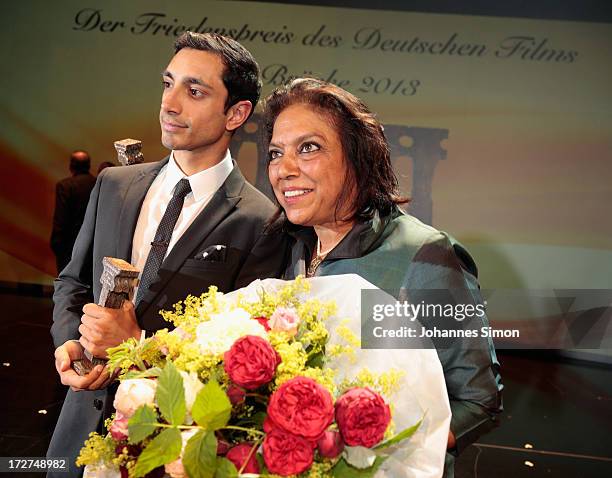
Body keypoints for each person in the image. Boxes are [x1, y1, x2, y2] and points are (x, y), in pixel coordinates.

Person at [47, 32, 287, 476]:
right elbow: (72, 282)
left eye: (194, 91)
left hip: (168, 446)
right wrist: (68, 342)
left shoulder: (263, 223)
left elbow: (243, 360)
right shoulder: (115, 185)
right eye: (167, 83)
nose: (170, 103)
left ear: (236, 113)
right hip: (76, 430)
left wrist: (137, 346)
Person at [263, 78, 503, 477]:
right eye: (275, 153)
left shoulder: (423, 255)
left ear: (358, 157)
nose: (285, 169)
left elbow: (478, 401)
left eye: (308, 148)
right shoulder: (290, 249)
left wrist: (379, 455)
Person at [50, 150, 97, 273]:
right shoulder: (97, 184)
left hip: (69, 245)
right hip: (93, 244)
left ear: (71, 166)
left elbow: (61, 217)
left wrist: (56, 244)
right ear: (88, 165)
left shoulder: (65, 186)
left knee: (68, 283)